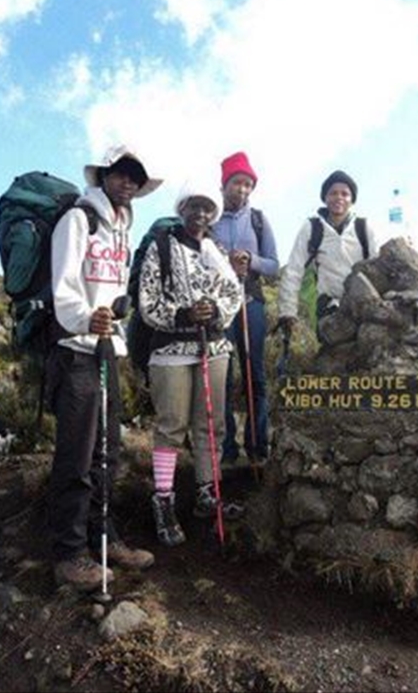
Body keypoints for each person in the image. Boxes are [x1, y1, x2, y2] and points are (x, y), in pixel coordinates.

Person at [47, 144, 159, 591]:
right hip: (76, 349)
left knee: (107, 452)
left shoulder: (121, 231)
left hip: (109, 349)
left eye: (135, 176)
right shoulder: (79, 220)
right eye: (120, 174)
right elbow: (65, 286)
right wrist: (84, 318)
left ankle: (106, 540)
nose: (128, 182)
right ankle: (69, 555)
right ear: (103, 177)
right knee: (76, 454)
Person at [137, 179, 245, 546]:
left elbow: (232, 293)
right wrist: (184, 313)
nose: (200, 213)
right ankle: (164, 500)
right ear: (181, 209)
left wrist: (214, 310)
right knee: (172, 425)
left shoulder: (215, 250)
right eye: (193, 206)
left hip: (213, 347)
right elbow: (148, 302)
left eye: (207, 208)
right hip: (170, 350)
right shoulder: (160, 248)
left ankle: (206, 491)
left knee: (210, 424)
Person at [210, 151, 279, 465]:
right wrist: (223, 262)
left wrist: (251, 260)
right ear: (224, 184)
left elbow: (274, 265)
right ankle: (226, 449)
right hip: (219, 306)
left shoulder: (259, 220)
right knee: (222, 374)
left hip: (251, 302)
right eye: (237, 182)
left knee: (255, 374)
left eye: (248, 184)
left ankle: (257, 445)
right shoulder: (209, 218)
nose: (243, 190)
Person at [277, 169, 380, 341]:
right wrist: (287, 312)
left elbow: (378, 265)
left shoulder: (364, 227)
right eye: (333, 193)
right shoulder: (312, 228)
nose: (339, 197)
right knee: (334, 351)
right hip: (328, 307)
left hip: (363, 304)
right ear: (325, 198)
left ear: (352, 200)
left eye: (345, 194)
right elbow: (294, 271)